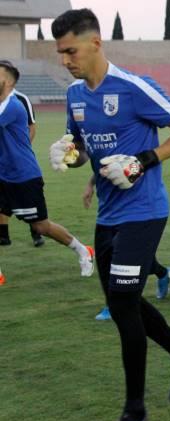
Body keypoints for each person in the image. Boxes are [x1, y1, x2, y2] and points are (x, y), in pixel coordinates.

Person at [50, 9, 170, 421]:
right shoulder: (75, 95)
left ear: (95, 43)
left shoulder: (134, 87)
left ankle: (135, 412)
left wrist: (142, 161)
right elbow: (82, 149)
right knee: (124, 304)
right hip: (108, 214)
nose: (65, 60)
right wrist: (68, 154)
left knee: (121, 302)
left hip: (145, 212)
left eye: (71, 51)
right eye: (60, 53)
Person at [0, 59, 94, 276]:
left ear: (9, 83)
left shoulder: (12, 106)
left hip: (22, 177)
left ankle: (83, 250)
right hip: (3, 175)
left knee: (41, 226)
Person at [82, 175, 170, 322]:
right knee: (117, 255)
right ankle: (163, 273)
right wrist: (90, 183)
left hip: (138, 209)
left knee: (123, 257)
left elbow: (142, 165)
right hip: (109, 209)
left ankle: (114, 305)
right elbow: (102, 164)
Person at [0, 82, 44, 247]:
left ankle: (36, 234)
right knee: (3, 199)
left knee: (28, 200)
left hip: (19, 162)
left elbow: (31, 126)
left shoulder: (20, 99)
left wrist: (21, 150)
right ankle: (3, 236)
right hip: (2, 162)